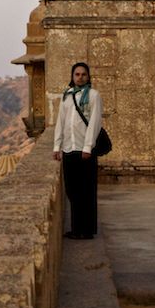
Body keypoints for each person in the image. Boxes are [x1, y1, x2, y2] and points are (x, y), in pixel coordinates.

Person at [53, 62, 103, 239]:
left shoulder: (94, 95)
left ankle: (87, 230)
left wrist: (88, 146)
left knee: (86, 191)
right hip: (69, 148)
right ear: (72, 76)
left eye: (83, 74)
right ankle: (76, 229)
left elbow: (95, 122)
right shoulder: (66, 96)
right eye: (77, 74)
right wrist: (57, 146)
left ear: (88, 77)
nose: (80, 77)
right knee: (72, 191)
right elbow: (61, 121)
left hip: (84, 150)